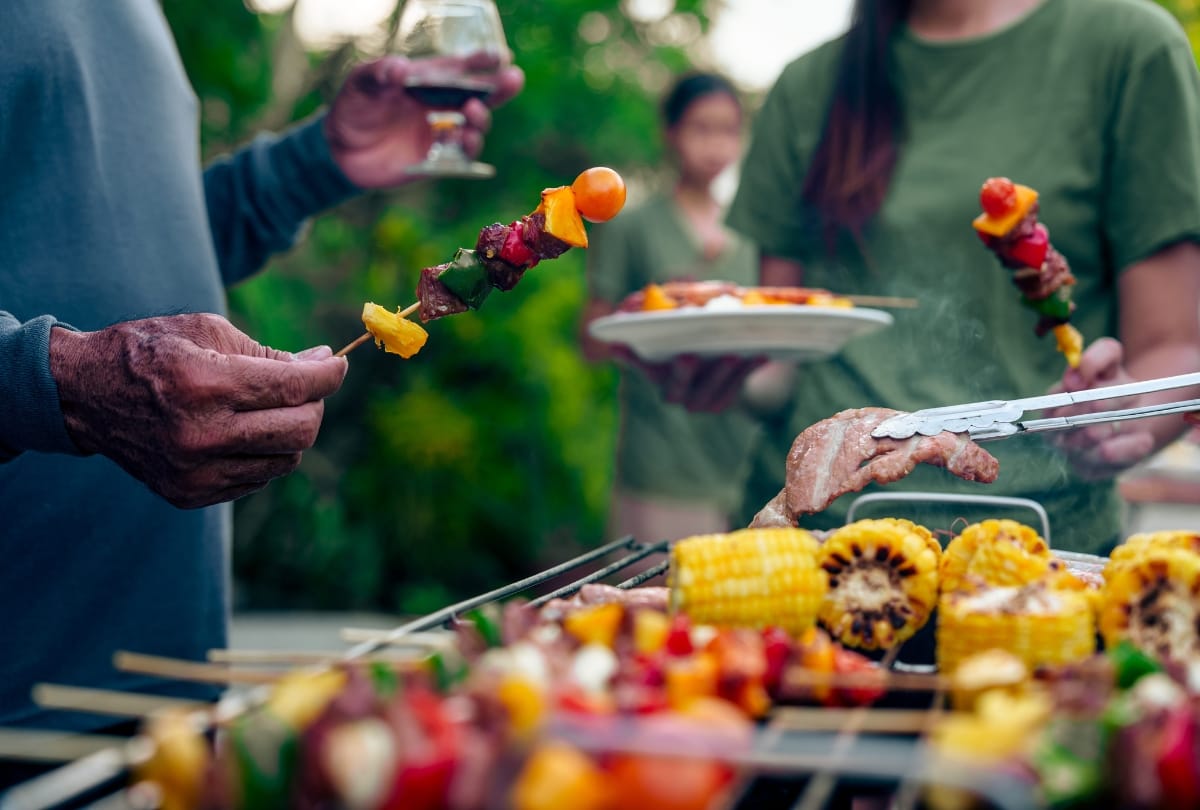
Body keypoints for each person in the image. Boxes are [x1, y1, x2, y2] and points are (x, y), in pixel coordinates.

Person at [0, 0, 523, 742]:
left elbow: (138, 236)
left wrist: (319, 162)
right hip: (19, 693)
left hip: (166, 689)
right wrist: (57, 383)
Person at [714, 0, 1200, 552]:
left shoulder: (1129, 46)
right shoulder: (809, 85)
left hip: (1042, 553)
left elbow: (1176, 347)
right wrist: (716, 364)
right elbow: (777, 363)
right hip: (809, 545)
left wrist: (1117, 421)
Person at [582, 72, 763, 542]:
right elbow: (591, 339)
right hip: (660, 456)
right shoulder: (633, 226)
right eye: (701, 128)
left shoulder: (752, 234)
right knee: (649, 604)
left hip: (742, 453)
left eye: (728, 130)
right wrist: (651, 316)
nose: (715, 145)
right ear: (670, 133)